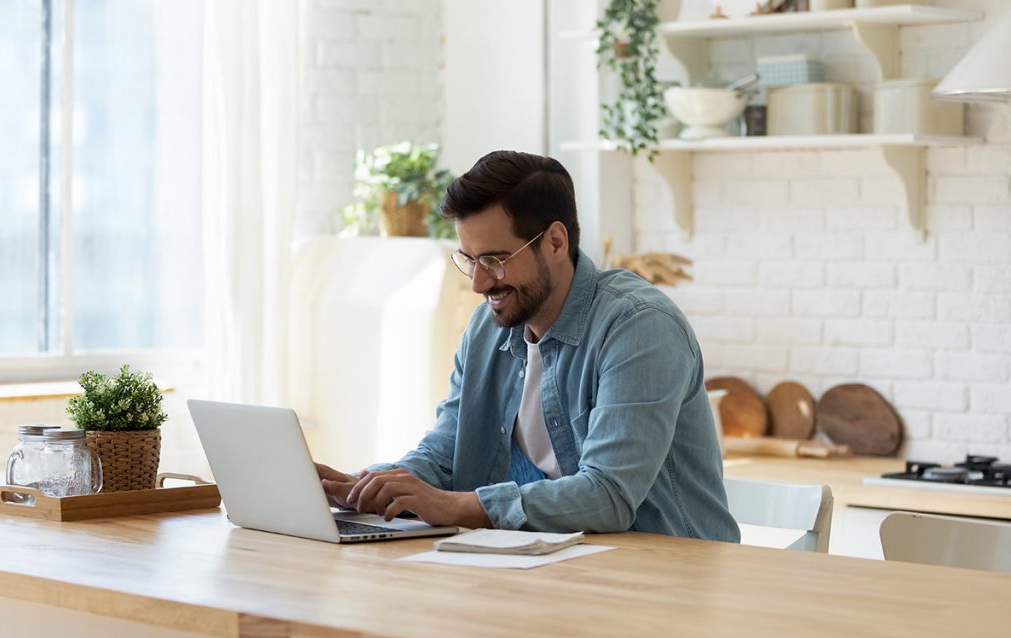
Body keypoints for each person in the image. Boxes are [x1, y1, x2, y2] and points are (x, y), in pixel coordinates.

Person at [317, 150, 739, 541]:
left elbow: (609, 494)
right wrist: (367, 486)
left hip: (672, 578)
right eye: (469, 259)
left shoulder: (640, 327)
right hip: (563, 569)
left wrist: (454, 506)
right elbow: (446, 453)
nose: (479, 283)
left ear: (555, 242)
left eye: (495, 260)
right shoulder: (488, 328)